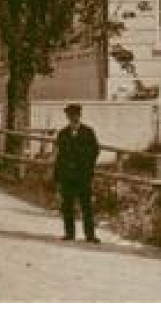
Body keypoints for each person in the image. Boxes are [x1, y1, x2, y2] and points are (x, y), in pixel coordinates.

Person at [53, 103, 100, 244]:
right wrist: (57, 176)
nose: (73, 118)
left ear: (80, 116)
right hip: (67, 175)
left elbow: (95, 151)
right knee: (67, 205)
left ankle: (90, 235)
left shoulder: (88, 132)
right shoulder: (62, 134)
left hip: (82, 175)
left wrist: (87, 167)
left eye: (75, 115)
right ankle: (69, 233)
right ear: (67, 117)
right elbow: (59, 156)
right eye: (70, 115)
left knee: (86, 205)